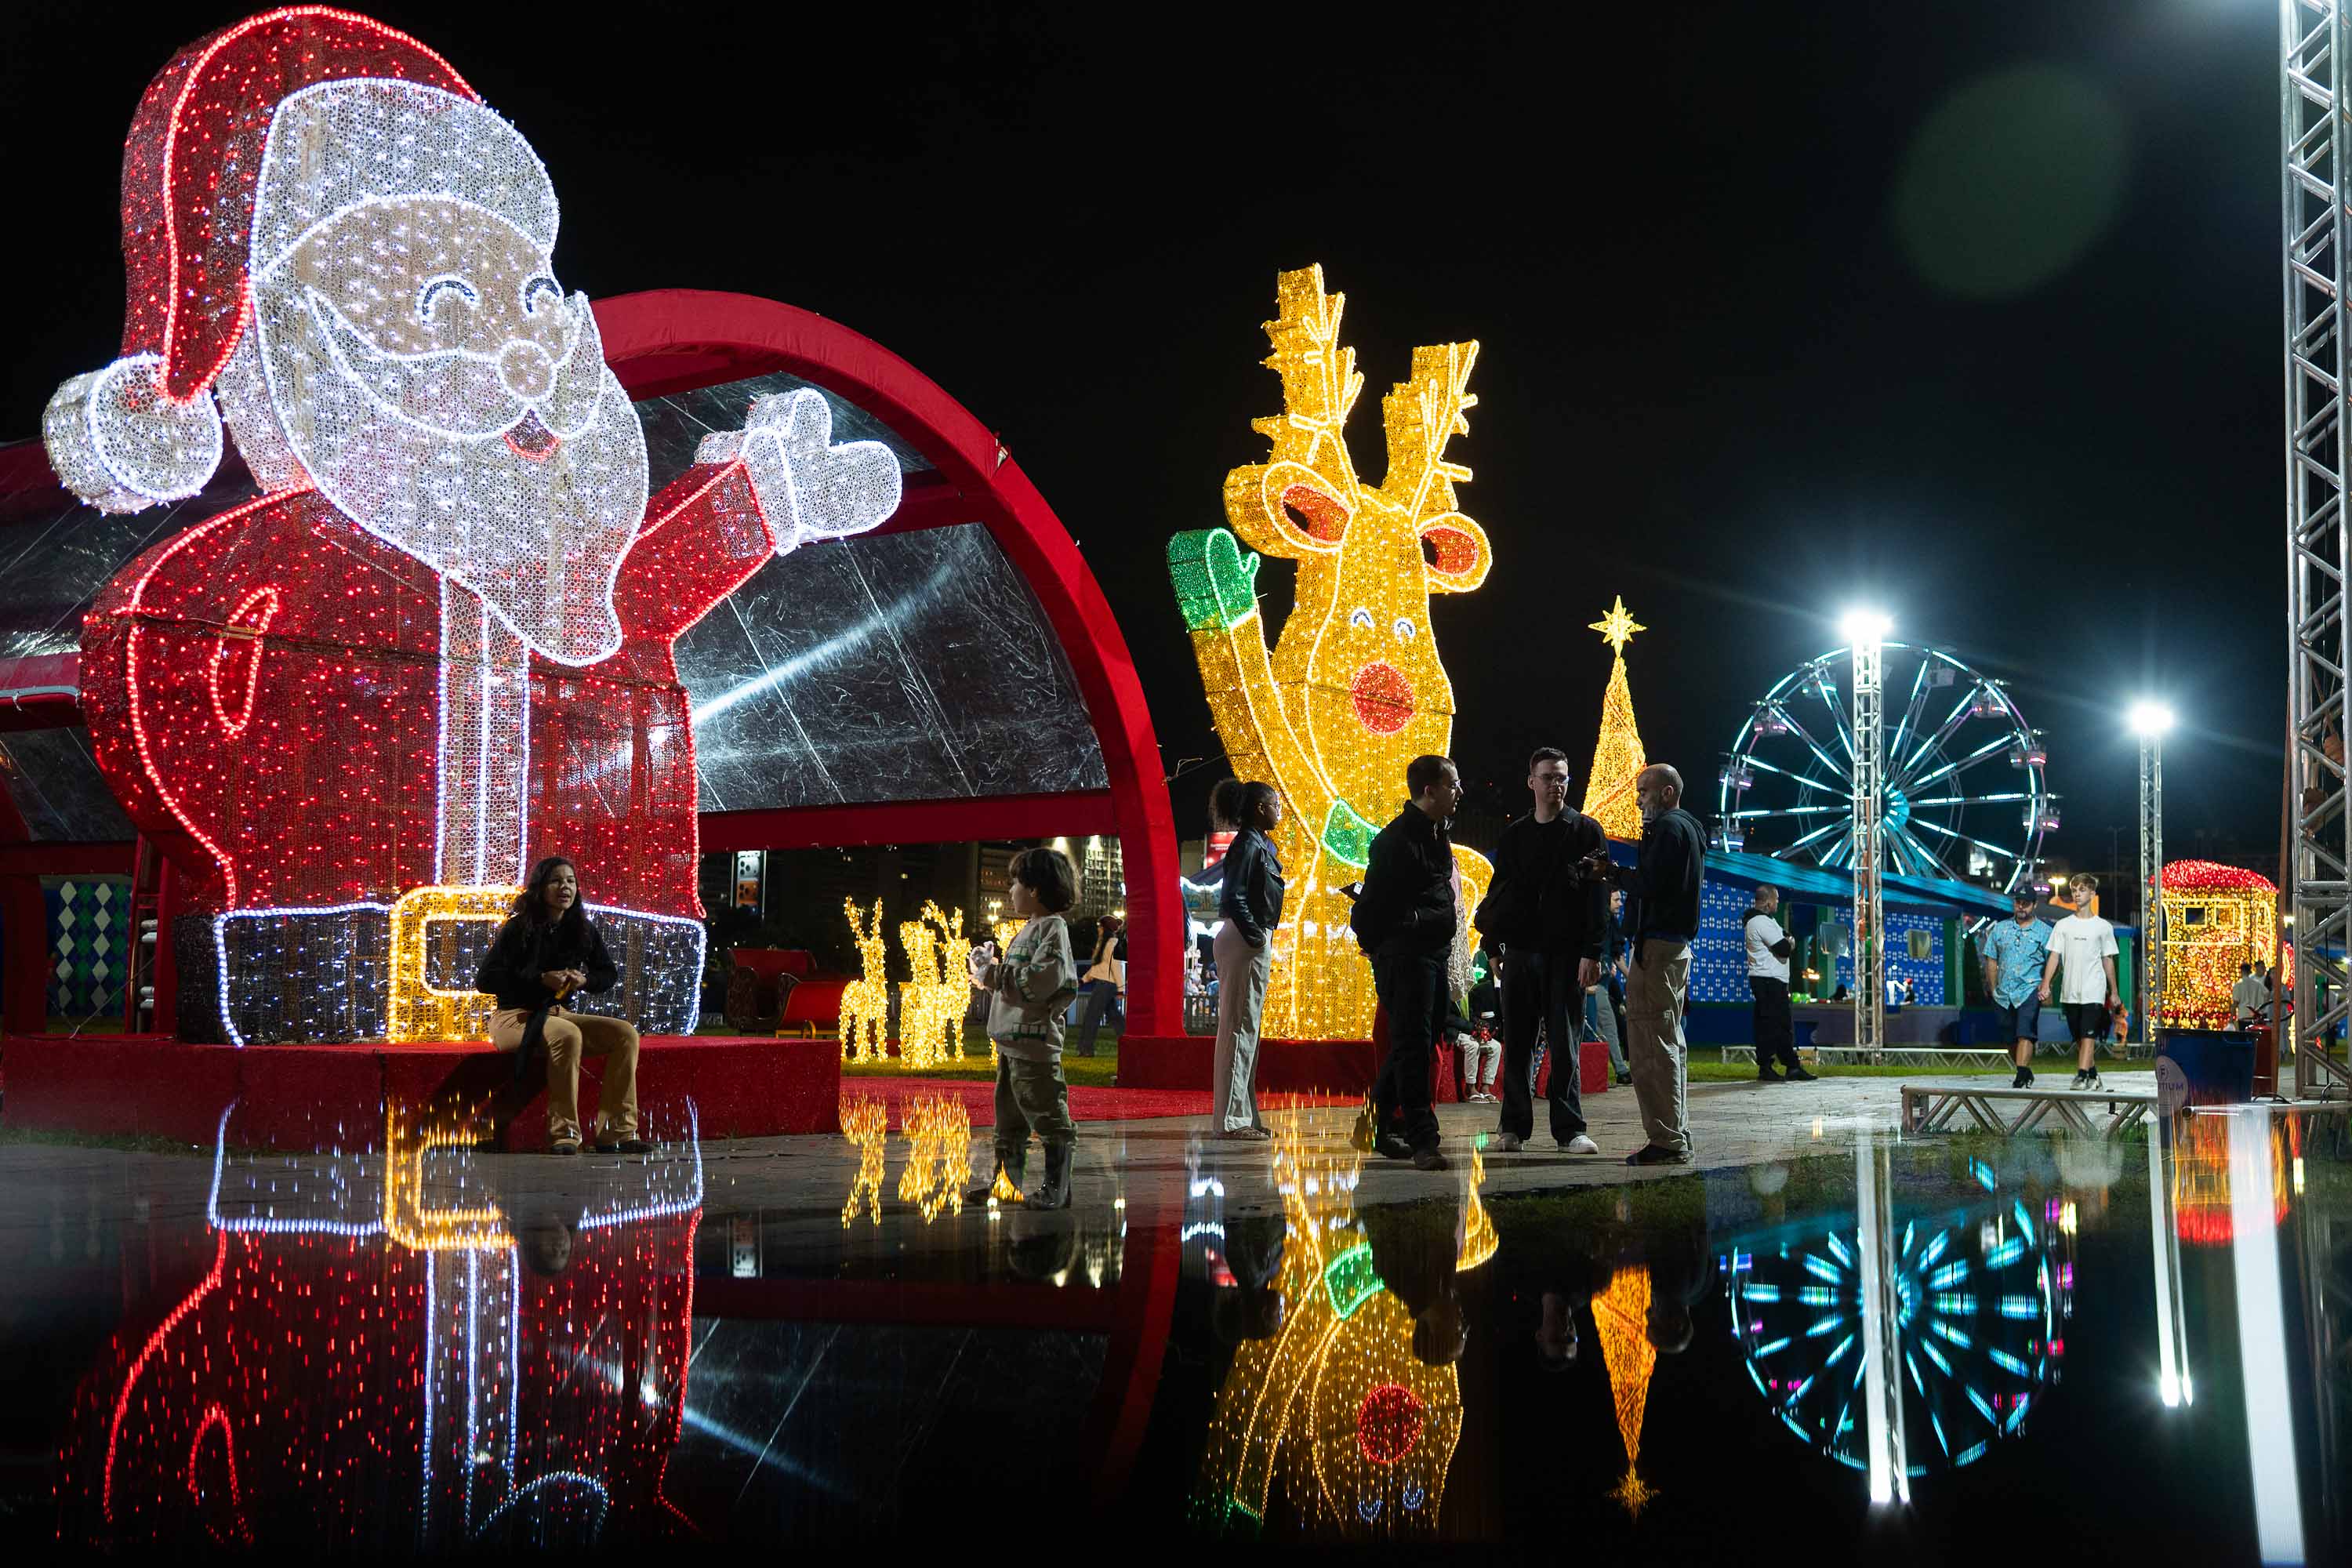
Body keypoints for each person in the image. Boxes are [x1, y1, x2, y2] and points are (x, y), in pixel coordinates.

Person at [1475, 746, 1609, 1155]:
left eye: (1563, 777)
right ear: (1532, 781)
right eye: (1549, 776)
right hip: (1518, 952)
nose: (1557, 784)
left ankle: (1570, 1130)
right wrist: (1491, 943)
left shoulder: (1586, 830)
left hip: (1566, 955)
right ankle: (1512, 1127)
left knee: (1565, 1044)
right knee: (1517, 1043)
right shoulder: (1515, 834)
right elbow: (1501, 892)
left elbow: (1597, 895)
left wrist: (1592, 951)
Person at [476, 856, 648, 1157]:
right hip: (513, 1016)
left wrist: (584, 980)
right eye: (556, 881)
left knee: (625, 1033)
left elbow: (607, 973)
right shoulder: (519, 928)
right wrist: (541, 979)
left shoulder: (581, 928)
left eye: (570, 881)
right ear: (540, 888)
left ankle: (617, 1133)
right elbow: (487, 979)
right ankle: (564, 1135)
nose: (564, 887)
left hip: (558, 1014)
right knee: (568, 1035)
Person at [1351, 754, 1465, 1171]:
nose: (1460, 792)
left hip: (1432, 956)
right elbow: (1370, 910)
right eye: (1453, 784)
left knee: (1411, 1047)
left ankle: (1375, 1127)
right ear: (1429, 790)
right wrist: (1400, 934)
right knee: (1413, 1049)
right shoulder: (1395, 841)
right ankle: (1423, 1140)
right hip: (1406, 959)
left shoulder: (1437, 833)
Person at [1596, 764, 1704, 1166]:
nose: (1638, 799)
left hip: (1656, 948)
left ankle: (1667, 1140)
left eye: (1644, 791)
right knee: (1670, 1041)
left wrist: (1611, 873)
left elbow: (1650, 883)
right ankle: (1677, 1133)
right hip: (1674, 947)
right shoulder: (1690, 828)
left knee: (1649, 1046)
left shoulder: (1666, 829)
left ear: (1667, 793)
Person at [968, 847, 1083, 1207]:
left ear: (1034, 889)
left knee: (1046, 1111)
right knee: (1009, 1117)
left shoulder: (1053, 930)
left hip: (1034, 1043)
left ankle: (1057, 1187)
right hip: (1012, 1042)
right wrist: (989, 971)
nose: (1010, 890)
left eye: (1015, 883)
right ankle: (1006, 1181)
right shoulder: (1032, 929)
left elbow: (1045, 979)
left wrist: (995, 974)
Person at [1211, 779, 1285, 1139]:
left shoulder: (1256, 844)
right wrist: (1256, 936)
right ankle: (1231, 1121)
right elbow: (1234, 895)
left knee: (1245, 1032)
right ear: (1260, 808)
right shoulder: (1247, 845)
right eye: (1275, 803)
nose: (1279, 809)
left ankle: (1244, 1117)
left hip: (1248, 937)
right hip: (1246, 939)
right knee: (1239, 1031)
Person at [2038, 873, 2120, 1092]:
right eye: (2074, 890)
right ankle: (2093, 1075)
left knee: (2087, 1033)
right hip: (2069, 991)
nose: (2076, 894)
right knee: (2080, 1038)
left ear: (2092, 894)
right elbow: (2054, 956)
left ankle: (2081, 1076)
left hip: (2094, 991)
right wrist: (2046, 984)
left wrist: (2114, 992)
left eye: (2082, 890)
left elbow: (2108, 959)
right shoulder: (2063, 926)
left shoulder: (2103, 927)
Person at [1983, 887, 2052, 1087]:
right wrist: (1993, 988)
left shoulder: (2045, 932)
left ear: (2034, 905)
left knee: (2025, 1031)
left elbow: (2054, 962)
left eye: (2026, 903)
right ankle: (2024, 1069)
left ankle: (2021, 1075)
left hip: (2030, 989)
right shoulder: (2000, 929)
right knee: (2009, 1036)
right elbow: (1991, 959)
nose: (2021, 907)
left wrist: (2046, 985)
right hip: (2004, 992)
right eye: (2018, 902)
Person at [1744, 885, 1813, 1082]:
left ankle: (1791, 1065)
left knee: (1782, 1024)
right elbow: (1784, 947)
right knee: (1769, 1024)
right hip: (1767, 980)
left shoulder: (1767, 921)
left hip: (1773, 979)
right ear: (1768, 902)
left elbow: (1787, 937)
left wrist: (1788, 939)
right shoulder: (1760, 922)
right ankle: (1767, 1067)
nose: (1777, 903)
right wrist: (1789, 941)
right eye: (1776, 899)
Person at [1070, 915, 1125, 1058]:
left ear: (1105, 928)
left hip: (1106, 984)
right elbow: (1100, 967)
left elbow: (1115, 966)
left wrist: (1121, 989)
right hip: (1107, 983)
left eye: (1100, 927)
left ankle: (1086, 1049)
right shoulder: (1105, 943)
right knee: (1114, 1017)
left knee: (1092, 1016)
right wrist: (1084, 980)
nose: (1098, 929)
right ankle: (1131, 1043)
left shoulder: (1110, 944)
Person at [1601, 889, 1632, 1084]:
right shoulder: (1600, 922)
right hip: (1594, 985)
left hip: (1604, 983)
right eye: (1617, 899)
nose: (1620, 903)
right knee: (1609, 1027)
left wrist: (1631, 977)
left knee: (1612, 1026)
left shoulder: (1611, 922)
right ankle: (1621, 1071)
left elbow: (1617, 956)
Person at [2231, 961, 2269, 1027]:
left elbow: (2235, 1003)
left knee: (2243, 1036)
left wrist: (2232, 1018)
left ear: (2241, 971)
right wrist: (2262, 1008)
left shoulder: (2238, 985)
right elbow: (2267, 993)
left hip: (2243, 1016)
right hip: (2254, 1016)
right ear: (2250, 971)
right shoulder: (2257, 984)